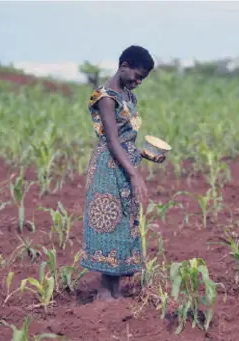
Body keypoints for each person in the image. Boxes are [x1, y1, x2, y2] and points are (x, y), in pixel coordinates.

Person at [80, 45, 165, 300]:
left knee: (124, 225)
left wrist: (145, 154)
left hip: (124, 163)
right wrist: (135, 175)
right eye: (137, 76)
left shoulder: (128, 96)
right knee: (110, 225)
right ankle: (105, 293)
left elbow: (126, 141)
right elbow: (113, 142)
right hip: (109, 168)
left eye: (143, 79)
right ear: (124, 65)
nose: (138, 82)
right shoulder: (106, 97)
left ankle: (115, 292)